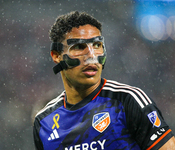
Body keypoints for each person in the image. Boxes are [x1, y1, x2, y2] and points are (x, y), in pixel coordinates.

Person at [33, 11, 175, 150]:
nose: (91, 56)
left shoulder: (128, 101)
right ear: (56, 55)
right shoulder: (44, 122)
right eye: (79, 47)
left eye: (97, 46)